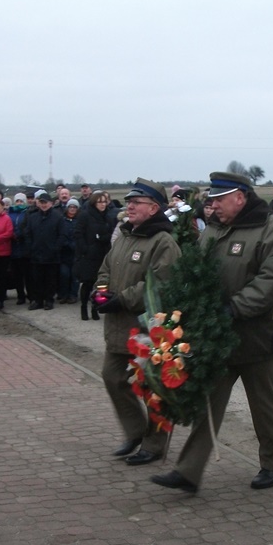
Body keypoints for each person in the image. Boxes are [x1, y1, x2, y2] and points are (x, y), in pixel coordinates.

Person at [151, 171, 273, 494]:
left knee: (264, 404)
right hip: (215, 336)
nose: (212, 206)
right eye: (211, 200)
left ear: (240, 197)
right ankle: (188, 471)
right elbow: (198, 271)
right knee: (208, 402)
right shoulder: (213, 230)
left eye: (219, 200)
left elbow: (271, 282)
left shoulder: (272, 233)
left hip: (255, 335)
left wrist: (233, 308)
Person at [95, 178, 180, 466]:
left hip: (147, 330)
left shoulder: (163, 241)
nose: (129, 205)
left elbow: (159, 284)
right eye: (129, 201)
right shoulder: (125, 234)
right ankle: (135, 432)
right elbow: (106, 267)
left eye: (136, 202)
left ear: (154, 208)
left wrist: (122, 299)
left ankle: (155, 445)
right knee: (112, 377)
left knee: (152, 389)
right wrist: (101, 290)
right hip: (119, 326)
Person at [74, 191, 118, 321]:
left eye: (104, 201)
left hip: (102, 254)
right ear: (94, 203)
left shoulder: (108, 216)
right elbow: (78, 233)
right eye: (100, 202)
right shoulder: (85, 215)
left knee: (99, 284)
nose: (102, 204)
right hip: (88, 255)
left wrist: (102, 238)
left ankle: (95, 308)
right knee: (87, 283)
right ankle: (83, 307)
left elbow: (111, 233)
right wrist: (85, 249)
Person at [25, 189, 64, 310]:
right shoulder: (33, 217)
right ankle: (38, 301)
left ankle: (49, 300)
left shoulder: (58, 217)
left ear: (51, 203)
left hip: (52, 255)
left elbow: (62, 235)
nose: (43, 204)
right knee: (37, 279)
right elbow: (27, 234)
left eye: (46, 202)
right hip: (36, 254)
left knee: (50, 280)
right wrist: (30, 247)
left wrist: (55, 248)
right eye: (41, 202)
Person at [8, 192, 31, 305]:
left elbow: (28, 227)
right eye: (17, 201)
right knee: (16, 275)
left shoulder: (27, 213)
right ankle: (20, 295)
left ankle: (31, 295)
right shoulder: (10, 213)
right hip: (13, 248)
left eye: (21, 201)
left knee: (27, 274)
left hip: (24, 247)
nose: (19, 203)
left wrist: (21, 234)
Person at [58, 198, 81, 303]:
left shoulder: (80, 221)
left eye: (74, 207)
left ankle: (73, 295)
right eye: (70, 207)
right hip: (64, 252)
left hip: (76, 253)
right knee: (64, 274)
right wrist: (66, 244)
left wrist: (75, 245)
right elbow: (60, 235)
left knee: (74, 275)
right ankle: (63, 294)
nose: (72, 209)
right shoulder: (62, 220)